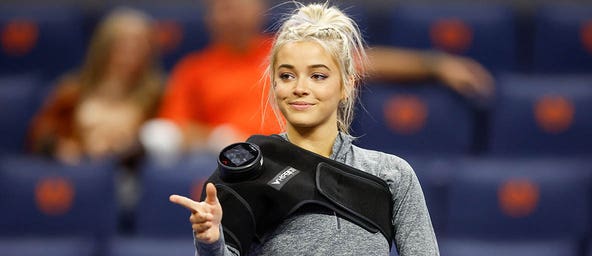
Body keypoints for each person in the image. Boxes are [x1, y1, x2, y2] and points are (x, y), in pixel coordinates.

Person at [169, 3, 446, 256]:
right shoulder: (250, 171)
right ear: (274, 84)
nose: (300, 88)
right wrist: (210, 240)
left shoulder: (391, 173)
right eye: (287, 75)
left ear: (346, 84)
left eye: (318, 76)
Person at [148, 0, 493, 156]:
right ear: (210, 16)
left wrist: (435, 65)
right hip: (237, 164)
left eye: (241, 5)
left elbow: (365, 61)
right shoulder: (194, 69)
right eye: (223, 7)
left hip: (303, 155)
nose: (232, 14)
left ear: (259, 10)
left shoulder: (289, 50)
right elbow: (174, 130)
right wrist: (220, 138)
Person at [27, 7, 164, 165]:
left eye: (139, 46)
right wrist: (61, 148)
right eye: (123, 45)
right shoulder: (71, 92)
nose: (131, 54)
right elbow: (41, 136)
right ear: (105, 47)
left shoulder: (159, 97)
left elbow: (162, 143)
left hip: (129, 176)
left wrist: (127, 149)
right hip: (78, 171)